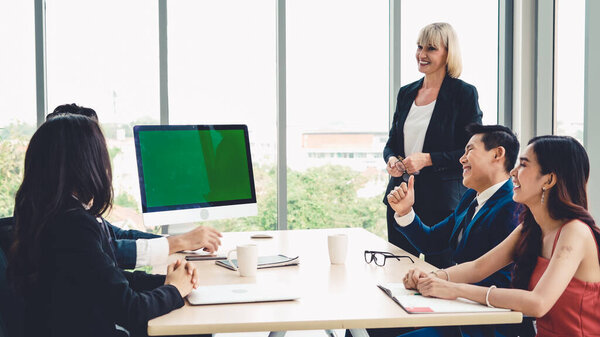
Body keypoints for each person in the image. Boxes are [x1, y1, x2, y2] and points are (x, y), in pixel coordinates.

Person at [8, 114, 201, 336]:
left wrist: (168, 281)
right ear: (85, 162)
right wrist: (175, 290)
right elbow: (130, 309)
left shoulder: (50, 215)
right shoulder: (73, 226)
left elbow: (112, 280)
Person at [404, 135, 600, 337]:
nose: (513, 172)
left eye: (523, 165)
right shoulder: (529, 229)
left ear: (548, 180)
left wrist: (456, 289)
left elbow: (538, 303)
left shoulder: (574, 231)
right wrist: (430, 278)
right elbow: (478, 268)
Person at [46, 103, 222, 270]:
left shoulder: (71, 205)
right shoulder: (62, 217)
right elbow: (111, 252)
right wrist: (180, 243)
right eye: (97, 146)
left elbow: (120, 237)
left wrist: (182, 241)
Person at [384, 124, 521, 337]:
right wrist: (405, 212)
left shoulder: (512, 205)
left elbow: (503, 280)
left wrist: (437, 282)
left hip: (483, 323)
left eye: (470, 150)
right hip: (456, 309)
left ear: (497, 154)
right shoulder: (470, 197)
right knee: (366, 327)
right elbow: (431, 241)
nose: (462, 158)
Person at [383, 22, 483, 268]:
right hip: (402, 195)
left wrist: (427, 159)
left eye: (431, 48)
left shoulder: (464, 94)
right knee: (399, 271)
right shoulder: (406, 93)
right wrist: (392, 160)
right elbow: (392, 143)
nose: (422, 54)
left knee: (440, 274)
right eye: (419, 47)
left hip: (442, 202)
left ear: (448, 53)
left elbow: (472, 149)